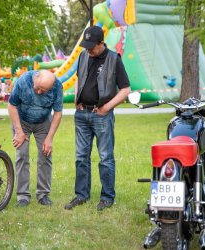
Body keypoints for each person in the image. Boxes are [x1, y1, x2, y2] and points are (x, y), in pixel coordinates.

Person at [64, 25, 131, 211]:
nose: (88, 50)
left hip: (102, 116)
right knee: (81, 157)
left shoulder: (114, 59)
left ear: (101, 43)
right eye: (86, 46)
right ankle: (81, 195)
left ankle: (107, 197)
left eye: (92, 46)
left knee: (105, 158)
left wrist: (107, 108)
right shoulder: (84, 55)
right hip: (81, 114)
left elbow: (126, 89)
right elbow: (79, 77)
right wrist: (77, 98)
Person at [8, 70, 63, 207]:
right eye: (37, 88)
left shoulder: (57, 86)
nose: (38, 92)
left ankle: (43, 195)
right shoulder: (23, 81)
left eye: (43, 90)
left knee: (45, 154)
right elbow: (12, 105)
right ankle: (23, 196)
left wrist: (49, 138)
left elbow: (57, 113)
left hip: (43, 122)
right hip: (22, 121)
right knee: (22, 155)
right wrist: (19, 132)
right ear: (35, 78)